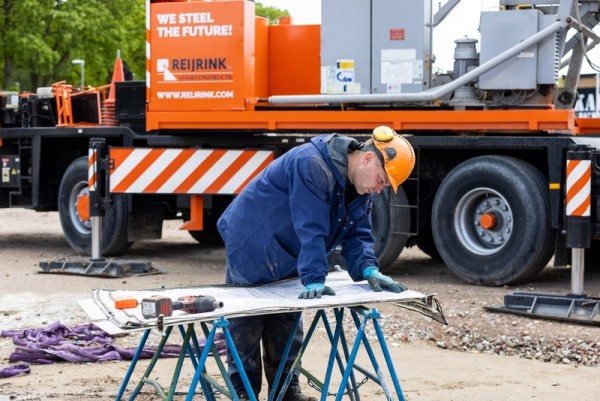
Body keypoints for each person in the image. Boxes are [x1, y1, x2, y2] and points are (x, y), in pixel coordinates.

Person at [217, 126, 415, 401]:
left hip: (286, 249)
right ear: (368, 159)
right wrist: (313, 276)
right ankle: (242, 393)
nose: (380, 188)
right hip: (251, 240)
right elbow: (310, 226)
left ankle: (285, 393)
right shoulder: (311, 163)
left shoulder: (359, 188)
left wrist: (369, 267)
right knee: (248, 322)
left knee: (286, 319)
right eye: (382, 180)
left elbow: (359, 234)